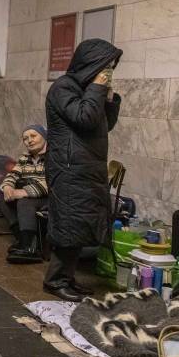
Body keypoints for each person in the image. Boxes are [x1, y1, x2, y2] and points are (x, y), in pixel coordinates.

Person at [44, 39, 122, 302]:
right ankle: (54, 281)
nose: (108, 71)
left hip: (86, 167)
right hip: (68, 169)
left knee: (79, 223)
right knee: (69, 223)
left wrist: (109, 99)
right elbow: (84, 118)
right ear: (91, 64)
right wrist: (98, 88)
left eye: (111, 67)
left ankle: (67, 277)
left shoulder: (89, 90)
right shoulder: (63, 87)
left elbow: (102, 125)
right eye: (105, 66)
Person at [0, 125, 48, 264]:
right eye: (25, 138)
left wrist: (24, 192)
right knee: (2, 195)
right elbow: (13, 174)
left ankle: (30, 250)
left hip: (49, 198)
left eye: (33, 136)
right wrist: (8, 186)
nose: (29, 141)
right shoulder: (25, 158)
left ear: (44, 137)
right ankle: (23, 239)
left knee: (25, 201)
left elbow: (51, 183)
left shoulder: (53, 157)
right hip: (31, 195)